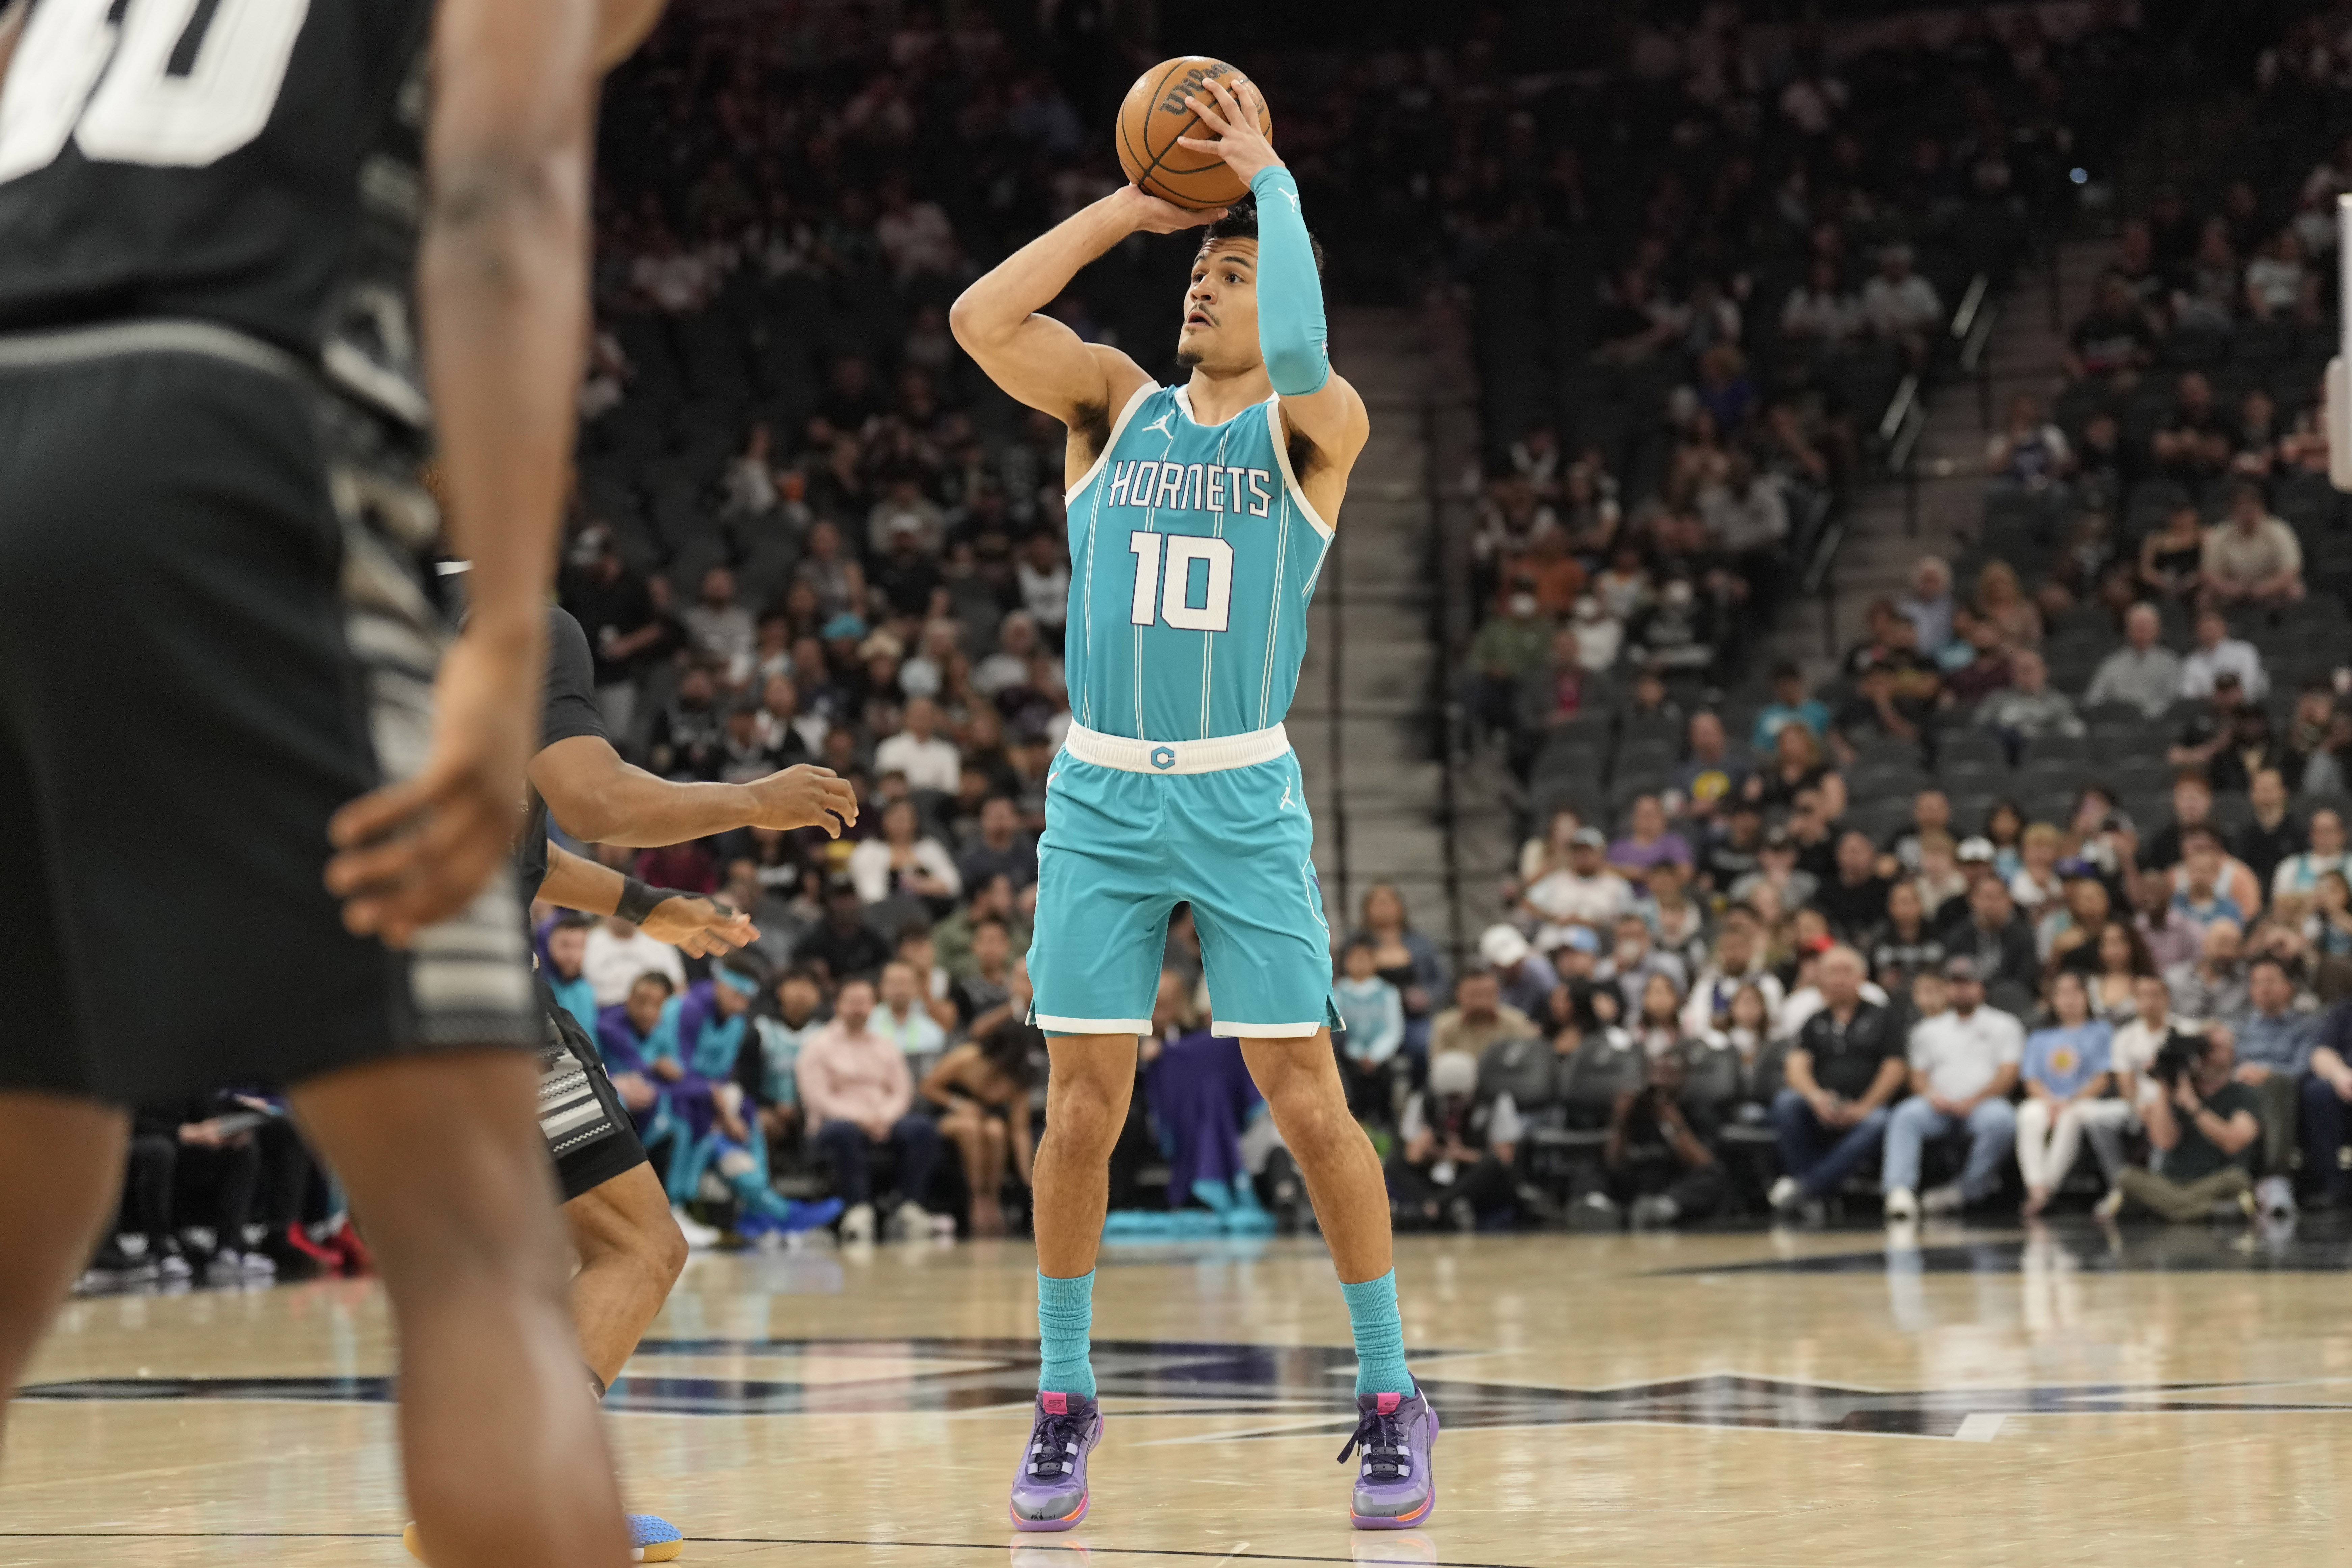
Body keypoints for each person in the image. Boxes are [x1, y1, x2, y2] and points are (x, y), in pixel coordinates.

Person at [0, 0, 684, 1561]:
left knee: (27, 1164)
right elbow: (501, 192)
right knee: (478, 1254)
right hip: (221, 449)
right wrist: (507, 630)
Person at [950, 77, 1431, 1531]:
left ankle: (1389, 1391)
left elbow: (1294, 343)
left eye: (1229, 271)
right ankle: (1060, 1396)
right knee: (1080, 1109)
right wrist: (1126, 207)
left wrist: (1268, 184)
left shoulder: (1310, 424)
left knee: (1304, 1098)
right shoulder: (1108, 402)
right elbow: (980, 322)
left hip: (1236, 793)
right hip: (1098, 790)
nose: (1203, 286)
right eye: (1197, 272)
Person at [797, 976, 942, 1244]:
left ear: (874, 1006)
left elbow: (901, 1091)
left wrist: (883, 1117)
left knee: (921, 1128)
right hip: (837, 1122)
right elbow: (817, 1098)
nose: (858, 1009)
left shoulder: (885, 1046)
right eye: (851, 1002)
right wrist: (861, 1118)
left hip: (883, 1119)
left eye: (864, 1002)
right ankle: (857, 1208)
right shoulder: (817, 1046)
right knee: (844, 1131)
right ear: (838, 1005)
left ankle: (911, 1206)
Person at [1769, 947, 1907, 1221]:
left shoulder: (1883, 1017)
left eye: (1846, 972)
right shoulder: (1815, 1021)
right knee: (1786, 1103)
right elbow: (1796, 1065)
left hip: (1869, 1106)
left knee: (1879, 1122)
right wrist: (1816, 1098)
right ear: (1820, 979)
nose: (1838, 979)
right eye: (1832, 972)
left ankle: (1807, 1189)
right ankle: (1813, 1190)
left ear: (1862, 978)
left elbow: (1895, 1068)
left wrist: (1864, 1106)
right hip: (1825, 1105)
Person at [1882, 957, 2022, 1221]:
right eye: (1955, 984)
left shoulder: (2005, 1025)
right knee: (1904, 1115)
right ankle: (1899, 1190)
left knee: (2002, 1119)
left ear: (1981, 988)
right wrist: (1932, 1096)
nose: (1961, 990)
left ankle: (1965, 1190)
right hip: (1939, 1106)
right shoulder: (1927, 1030)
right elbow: (1918, 1076)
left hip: (1983, 1104)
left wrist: (1974, 1100)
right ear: (1947, 989)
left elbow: (2008, 1074)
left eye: (1967, 984)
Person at [2097, 1025, 2262, 1223]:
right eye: (2205, 1049)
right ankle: (2202, 1211)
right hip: (2170, 1184)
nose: (2209, 1055)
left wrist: (2193, 1105)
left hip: (2217, 1180)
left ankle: (2171, 1210)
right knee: (2126, 1176)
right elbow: (2164, 1142)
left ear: (2233, 1054)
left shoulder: (2244, 1094)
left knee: (2238, 1179)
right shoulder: (2177, 1090)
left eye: (2218, 1048)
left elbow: (2234, 1142)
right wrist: (2164, 1086)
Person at [919, 1007, 1037, 1238]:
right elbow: (927, 1086)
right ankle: (976, 1197)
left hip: (990, 1121)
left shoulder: (1018, 1078)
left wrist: (1028, 1174)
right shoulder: (967, 1057)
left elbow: (1020, 1129)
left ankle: (991, 1197)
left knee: (995, 1131)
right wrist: (958, 1104)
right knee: (970, 1128)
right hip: (948, 1115)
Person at [2015, 972, 2126, 1215]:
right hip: (2047, 1100)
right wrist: (2051, 1102)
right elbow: (2031, 1080)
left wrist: (2069, 1101)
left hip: (2083, 1101)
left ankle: (2044, 1191)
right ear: (2052, 1000)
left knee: (2072, 1117)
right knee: (2028, 1114)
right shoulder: (2039, 1037)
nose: (2069, 1000)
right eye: (2062, 993)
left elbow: (2102, 1077)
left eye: (2075, 992)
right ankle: (2035, 1186)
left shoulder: (2101, 1031)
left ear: (2087, 997)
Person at [1586, 1047, 1729, 1228]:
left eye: (1669, 1074)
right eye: (1656, 1073)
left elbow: (1704, 1164)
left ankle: (1661, 1209)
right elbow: (1614, 1160)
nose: (1660, 1081)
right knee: (1590, 1164)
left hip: (1673, 1180)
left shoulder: (1697, 1110)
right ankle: (1597, 1207)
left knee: (1714, 1177)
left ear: (1683, 1077)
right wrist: (1620, 1120)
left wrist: (1675, 1123)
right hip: (1637, 1178)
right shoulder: (1637, 1107)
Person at [1385, 1050, 1521, 1233]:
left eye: (1458, 1097)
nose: (1453, 1104)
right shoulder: (1424, 1101)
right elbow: (1413, 1157)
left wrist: (1461, 1154)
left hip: (1474, 1176)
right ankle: (1436, 1207)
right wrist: (1430, 1149)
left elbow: (1505, 1159)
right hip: (1435, 1172)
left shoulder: (1496, 1101)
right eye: (1448, 1098)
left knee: (1492, 1165)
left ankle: (1433, 1208)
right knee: (1394, 1163)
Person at [1334, 940, 1407, 1123]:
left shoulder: (1388, 992)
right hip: (1350, 1059)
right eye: (1354, 959)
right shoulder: (1338, 993)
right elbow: (1338, 1030)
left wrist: (1375, 1056)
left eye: (1365, 958)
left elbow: (1394, 1029)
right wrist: (1357, 1053)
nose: (1360, 963)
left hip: (1382, 1061)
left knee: (1384, 1097)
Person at [2202, 481, 2306, 608]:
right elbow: (2210, 573)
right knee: (2204, 597)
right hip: (2233, 589)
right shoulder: (2219, 533)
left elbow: (2291, 570)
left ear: (2262, 507)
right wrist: (2230, 589)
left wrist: (2263, 589)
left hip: (2271, 588)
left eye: (2251, 505)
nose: (2246, 511)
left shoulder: (2279, 529)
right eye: (2241, 506)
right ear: (2232, 509)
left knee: (2296, 591)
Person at [2084, 603, 2184, 719]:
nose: (2141, 633)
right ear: (2127, 631)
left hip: (2156, 724)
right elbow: (2093, 700)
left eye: (2145, 628)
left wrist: (2144, 715)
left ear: (2157, 630)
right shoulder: (2112, 663)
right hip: (2119, 723)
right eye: (2136, 628)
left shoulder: (2170, 662)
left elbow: (2174, 700)